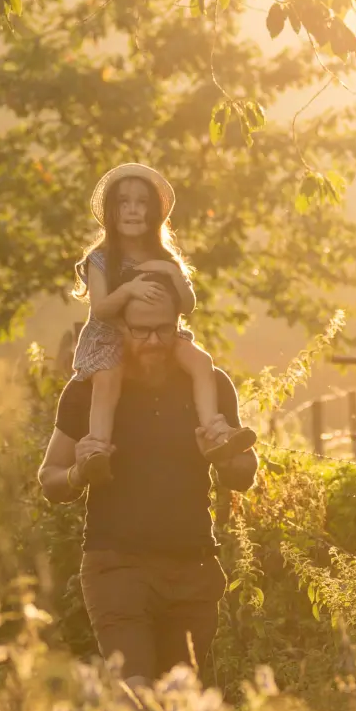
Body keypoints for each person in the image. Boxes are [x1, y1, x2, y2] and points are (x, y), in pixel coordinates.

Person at [37, 282, 259, 686]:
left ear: (180, 324)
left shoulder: (210, 383)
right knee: (137, 700)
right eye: (141, 330)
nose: (154, 341)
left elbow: (243, 474)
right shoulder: (87, 390)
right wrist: (79, 473)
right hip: (117, 567)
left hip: (193, 569)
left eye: (164, 328)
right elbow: (51, 480)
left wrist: (224, 456)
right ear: (119, 328)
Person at [67, 163, 255, 486]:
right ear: (112, 212)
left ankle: (214, 430)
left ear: (153, 212)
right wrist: (127, 290)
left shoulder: (164, 256)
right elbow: (100, 309)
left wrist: (172, 274)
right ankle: (96, 451)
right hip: (111, 335)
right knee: (107, 381)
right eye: (124, 203)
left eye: (141, 203)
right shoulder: (100, 258)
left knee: (201, 361)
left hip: (164, 331)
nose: (132, 210)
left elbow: (188, 305)